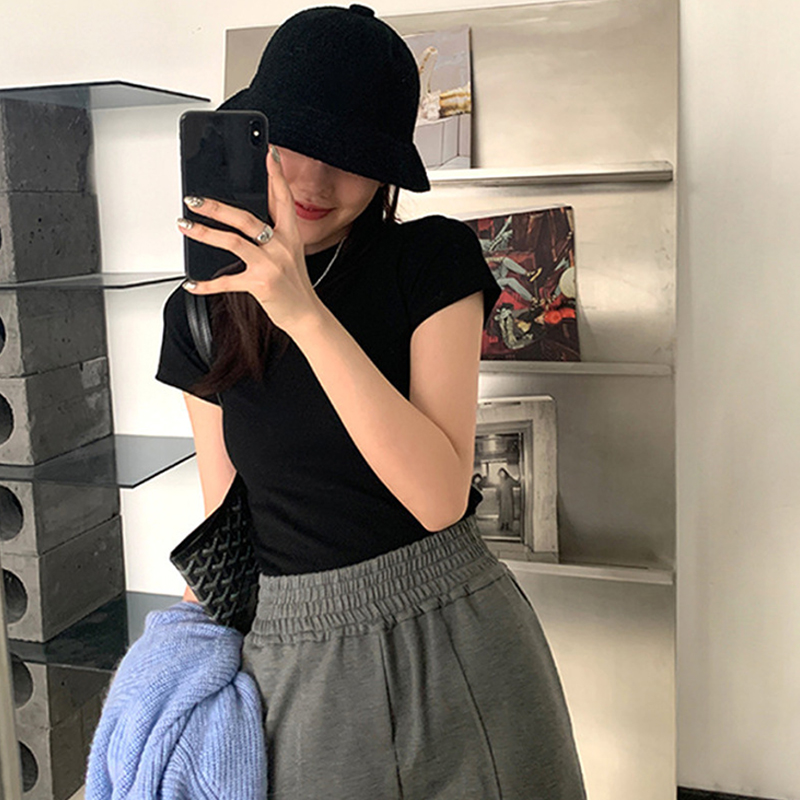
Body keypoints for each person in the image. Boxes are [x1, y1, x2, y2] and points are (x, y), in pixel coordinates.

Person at [156, 5, 586, 799]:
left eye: (352, 156)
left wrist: (304, 315)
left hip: (451, 630)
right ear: (254, 138)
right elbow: (225, 511)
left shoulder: (431, 260)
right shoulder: (200, 311)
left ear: (386, 167)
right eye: (293, 143)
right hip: (292, 653)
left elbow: (437, 497)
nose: (316, 181)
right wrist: (172, 668)